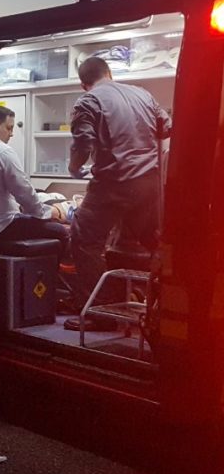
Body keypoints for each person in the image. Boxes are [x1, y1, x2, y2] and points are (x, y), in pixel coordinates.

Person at [64, 57, 171, 331]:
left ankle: (100, 314)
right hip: (148, 184)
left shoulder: (88, 101)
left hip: (114, 184)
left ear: (83, 83)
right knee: (154, 242)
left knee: (84, 237)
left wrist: (75, 169)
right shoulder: (143, 94)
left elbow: (83, 143)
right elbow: (167, 127)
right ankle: (167, 304)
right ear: (110, 73)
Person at [0, 104, 68, 246]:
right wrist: (52, 213)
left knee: (38, 197)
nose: (11, 134)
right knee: (60, 231)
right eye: (9, 128)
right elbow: (24, 193)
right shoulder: (2, 151)